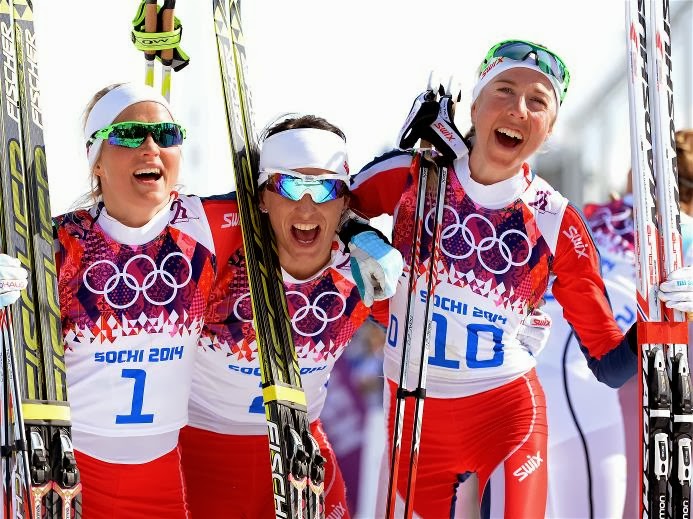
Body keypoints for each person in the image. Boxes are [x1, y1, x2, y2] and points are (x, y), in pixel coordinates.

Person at [0, 85, 401, 517]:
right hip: (67, 470)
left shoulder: (206, 226)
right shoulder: (57, 244)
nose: (150, 147)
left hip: (167, 479)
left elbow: (299, 208)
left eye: (166, 135)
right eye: (131, 135)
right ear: (95, 158)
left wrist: (361, 232)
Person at [345, 40, 693, 518]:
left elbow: (611, 364)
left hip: (508, 413)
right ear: (476, 103)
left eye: (538, 102)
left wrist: (664, 317)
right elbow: (320, 217)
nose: (518, 110)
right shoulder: (414, 175)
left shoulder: (557, 221)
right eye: (504, 91)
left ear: (549, 130)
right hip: (416, 414)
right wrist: (364, 248)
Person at [177, 115, 397, 519]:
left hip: (300, 464)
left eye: (326, 188)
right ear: (262, 197)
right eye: (290, 185)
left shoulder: (361, 271)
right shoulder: (219, 247)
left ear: (344, 200)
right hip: (200, 463)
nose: (306, 206)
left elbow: (430, 331)